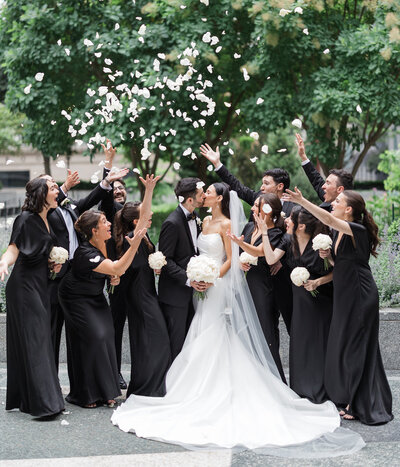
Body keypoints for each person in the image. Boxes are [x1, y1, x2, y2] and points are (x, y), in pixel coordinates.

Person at [111, 185, 365, 458]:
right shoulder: (204, 220)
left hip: (214, 284)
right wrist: (198, 277)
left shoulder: (228, 223)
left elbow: (231, 259)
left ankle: (211, 387)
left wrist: (210, 280)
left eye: (207, 190)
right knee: (200, 330)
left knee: (213, 331)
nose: (203, 193)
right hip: (200, 284)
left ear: (219, 197)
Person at [282, 187, 393, 424]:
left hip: (360, 295)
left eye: (338, 201)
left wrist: (302, 201)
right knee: (346, 347)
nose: (333, 203)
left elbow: (328, 218)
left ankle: (357, 401)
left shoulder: (356, 229)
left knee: (356, 347)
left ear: (349, 209)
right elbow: (341, 263)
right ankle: (351, 395)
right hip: (345, 295)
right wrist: (328, 258)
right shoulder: (339, 233)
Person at [58, 188, 149, 408]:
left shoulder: (106, 244)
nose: (109, 224)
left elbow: (113, 271)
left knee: (107, 335)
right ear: (93, 230)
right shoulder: (85, 253)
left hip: (95, 297)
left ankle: (108, 391)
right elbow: (118, 266)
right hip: (75, 298)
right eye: (104, 222)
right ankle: (85, 394)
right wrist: (134, 245)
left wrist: (112, 279)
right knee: (95, 337)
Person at [200, 142, 293, 335]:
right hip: (257, 277)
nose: (262, 187)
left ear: (280, 186)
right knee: (263, 328)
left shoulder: (295, 209)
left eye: (267, 183)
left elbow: (294, 239)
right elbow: (238, 187)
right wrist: (218, 164)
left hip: (282, 276)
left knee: (292, 324)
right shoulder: (258, 199)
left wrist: (280, 260)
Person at [44, 166, 128, 372]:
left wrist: (107, 181)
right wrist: (64, 186)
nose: (56, 187)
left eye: (56, 184)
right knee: (53, 332)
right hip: (56, 278)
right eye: (51, 185)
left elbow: (90, 201)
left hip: (79, 275)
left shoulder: (70, 206)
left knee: (79, 334)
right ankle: (51, 380)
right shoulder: (46, 211)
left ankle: (81, 382)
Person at [251, 206, 334, 404]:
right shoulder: (289, 240)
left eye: (291, 219)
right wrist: (263, 231)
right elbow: (270, 258)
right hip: (299, 299)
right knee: (301, 341)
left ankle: (323, 387)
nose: (286, 220)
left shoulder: (321, 244)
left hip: (321, 298)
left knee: (319, 342)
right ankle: (301, 388)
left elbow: (338, 270)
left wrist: (317, 282)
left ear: (301, 226)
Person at [0, 177, 65, 418]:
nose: (57, 191)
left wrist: (52, 264)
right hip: (23, 287)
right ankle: (44, 404)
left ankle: (30, 399)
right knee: (37, 340)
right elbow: (14, 248)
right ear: (41, 194)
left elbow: (39, 252)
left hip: (39, 285)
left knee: (39, 340)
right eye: (53, 188)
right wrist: (3, 263)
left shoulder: (47, 219)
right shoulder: (25, 219)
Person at [107, 176, 171, 397]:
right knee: (154, 340)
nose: (150, 216)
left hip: (148, 294)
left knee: (151, 341)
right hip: (140, 298)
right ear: (136, 221)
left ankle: (150, 385)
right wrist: (149, 190)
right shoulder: (131, 239)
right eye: (145, 215)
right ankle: (147, 387)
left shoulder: (142, 237)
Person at [227, 193, 286, 382]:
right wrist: (239, 261)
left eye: (256, 206)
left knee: (265, 332)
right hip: (246, 284)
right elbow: (237, 253)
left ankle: (274, 380)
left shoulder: (276, 233)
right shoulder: (250, 226)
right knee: (245, 332)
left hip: (264, 287)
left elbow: (260, 252)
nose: (252, 208)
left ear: (267, 210)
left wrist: (239, 243)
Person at [157, 177, 206, 361]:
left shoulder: (197, 218)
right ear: (190, 200)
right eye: (201, 195)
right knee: (176, 343)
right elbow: (165, 260)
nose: (204, 198)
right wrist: (188, 280)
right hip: (175, 295)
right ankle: (171, 385)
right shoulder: (172, 223)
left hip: (191, 293)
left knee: (188, 341)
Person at [99, 140, 129, 389]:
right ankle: (115, 371)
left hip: (137, 278)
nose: (118, 191)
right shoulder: (109, 211)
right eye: (114, 188)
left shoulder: (132, 211)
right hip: (115, 278)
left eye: (121, 188)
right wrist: (108, 167)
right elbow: (105, 195)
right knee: (115, 327)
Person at [295, 133, 354, 211]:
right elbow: (317, 180)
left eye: (328, 183)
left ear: (339, 189)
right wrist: (303, 156)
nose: (323, 186)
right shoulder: (329, 198)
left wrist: (302, 201)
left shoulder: (348, 216)